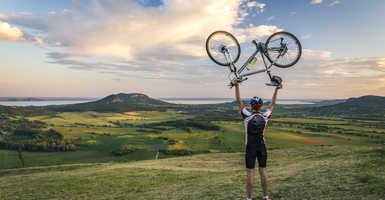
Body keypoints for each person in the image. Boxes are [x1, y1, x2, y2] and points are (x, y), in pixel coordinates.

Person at [233, 80, 282, 200]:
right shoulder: (265, 117)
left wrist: (236, 86)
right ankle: (266, 196)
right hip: (262, 146)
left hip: (250, 147)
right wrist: (276, 89)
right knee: (263, 171)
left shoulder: (247, 117)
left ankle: (249, 198)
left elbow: (239, 102)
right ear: (260, 106)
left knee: (250, 173)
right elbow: (272, 104)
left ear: (251, 105)